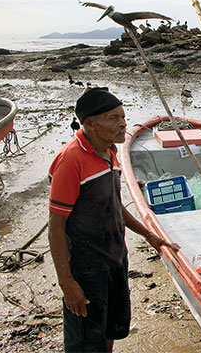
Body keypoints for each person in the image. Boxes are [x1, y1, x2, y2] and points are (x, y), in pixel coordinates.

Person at [48, 87, 180, 352]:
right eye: (113, 118)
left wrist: (148, 235)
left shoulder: (111, 152)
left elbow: (114, 205)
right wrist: (67, 282)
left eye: (123, 117)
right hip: (86, 269)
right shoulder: (70, 160)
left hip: (115, 259)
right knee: (85, 341)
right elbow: (56, 227)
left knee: (110, 331)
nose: (122, 124)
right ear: (90, 123)